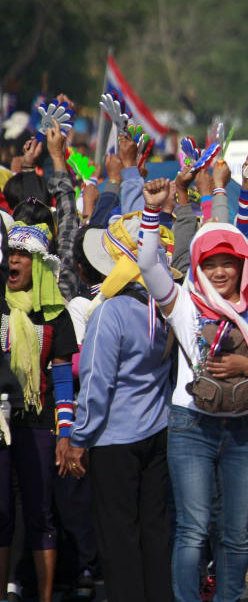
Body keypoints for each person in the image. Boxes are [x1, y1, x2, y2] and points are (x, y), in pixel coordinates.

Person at [137, 177, 248, 602]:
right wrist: (152, 213)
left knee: (236, 534)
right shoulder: (185, 304)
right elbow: (149, 266)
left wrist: (247, 362)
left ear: (244, 265)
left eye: (228, 262)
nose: (220, 271)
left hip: (244, 430)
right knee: (192, 530)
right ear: (198, 268)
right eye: (210, 264)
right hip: (192, 427)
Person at [65, 212, 174, 602]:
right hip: (157, 434)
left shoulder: (108, 313)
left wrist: (79, 438)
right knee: (154, 534)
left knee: (119, 540)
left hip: (113, 442)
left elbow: (96, 385)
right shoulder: (160, 310)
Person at [2, 221, 77, 602]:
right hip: (0, 423)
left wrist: (65, 434)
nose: (13, 260)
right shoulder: (0, 307)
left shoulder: (54, 314)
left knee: (40, 512)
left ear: (38, 265)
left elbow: (63, 380)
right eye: (10, 253)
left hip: (38, 420)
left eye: (22, 255)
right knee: (1, 515)